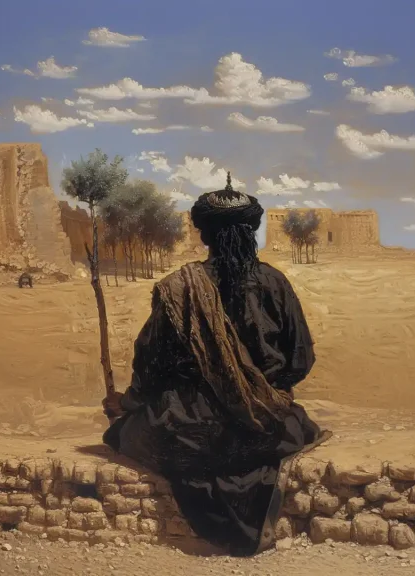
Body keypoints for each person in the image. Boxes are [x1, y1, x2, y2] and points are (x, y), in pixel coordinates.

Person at [102, 173, 329, 556]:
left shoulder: (179, 288)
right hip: (264, 427)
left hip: (189, 429)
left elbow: (150, 369)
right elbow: (300, 360)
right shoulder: (275, 283)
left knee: (121, 434)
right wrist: (260, 391)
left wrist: (127, 404)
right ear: (251, 232)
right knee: (292, 428)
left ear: (205, 234)